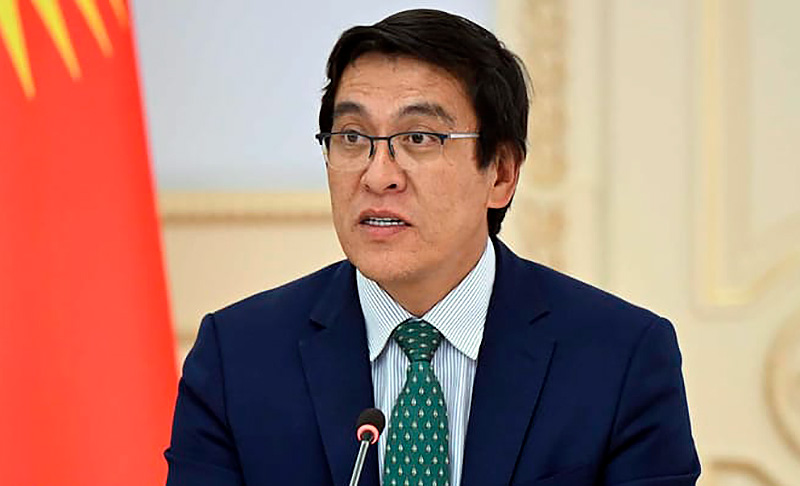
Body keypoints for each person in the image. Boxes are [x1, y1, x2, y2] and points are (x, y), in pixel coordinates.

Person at [165, 9, 700, 486]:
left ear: (501, 173)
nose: (378, 175)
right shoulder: (238, 358)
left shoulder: (620, 358)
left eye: (419, 138)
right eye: (352, 137)